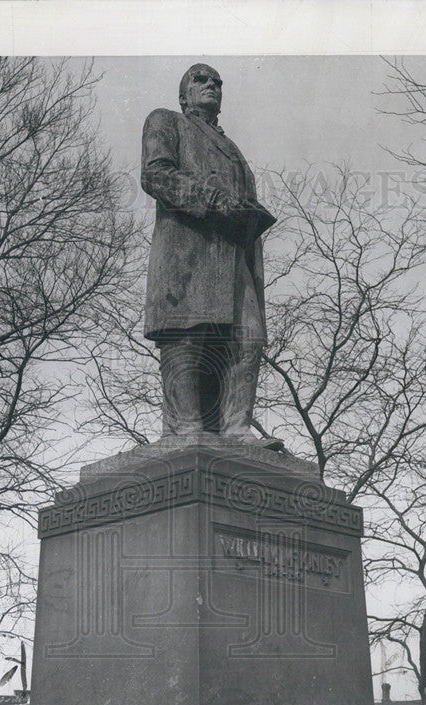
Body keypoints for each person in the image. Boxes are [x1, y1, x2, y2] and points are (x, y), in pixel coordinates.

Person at [141, 63, 279, 444]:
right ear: (184, 94)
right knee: (188, 333)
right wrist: (214, 199)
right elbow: (155, 174)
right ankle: (185, 429)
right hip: (189, 251)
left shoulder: (232, 149)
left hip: (234, 257)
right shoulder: (166, 121)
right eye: (201, 79)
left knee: (248, 339)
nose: (212, 85)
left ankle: (236, 427)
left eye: (218, 82)